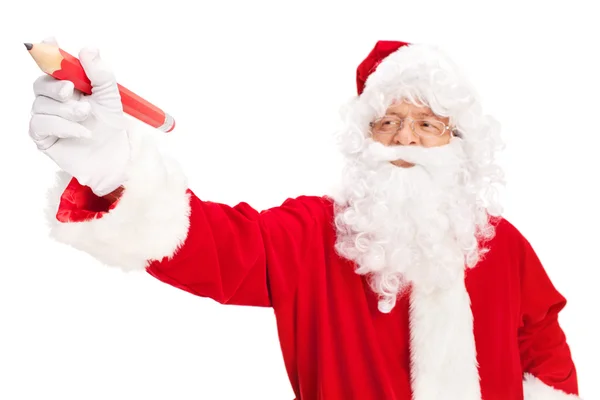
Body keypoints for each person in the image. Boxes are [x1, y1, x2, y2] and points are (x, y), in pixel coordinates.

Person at [28, 37, 581, 399]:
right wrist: (117, 172)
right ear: (364, 139)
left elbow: (543, 340)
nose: (405, 139)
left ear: (456, 141)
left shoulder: (499, 243)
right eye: (387, 123)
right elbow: (217, 247)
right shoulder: (315, 234)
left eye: (427, 125)